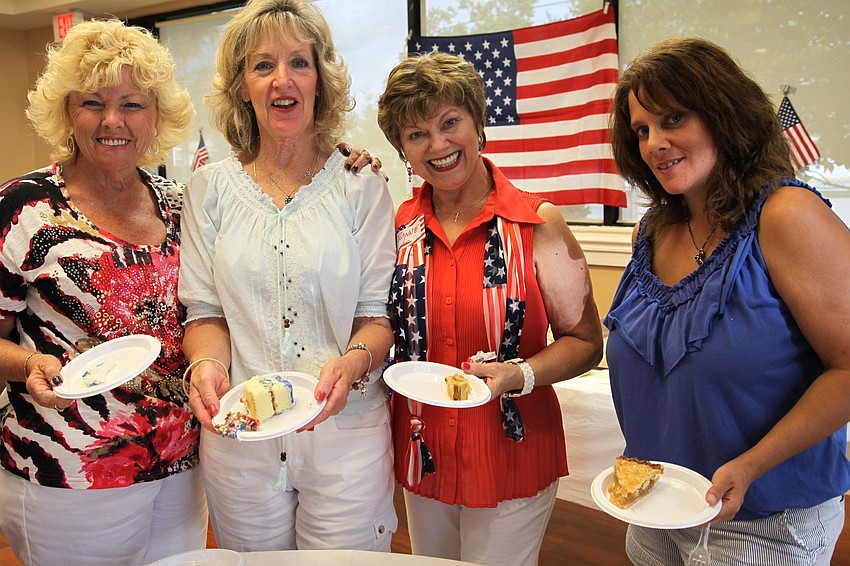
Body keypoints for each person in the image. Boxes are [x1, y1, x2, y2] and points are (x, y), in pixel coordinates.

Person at [604, 37, 850, 565]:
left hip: (766, 521)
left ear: (723, 115)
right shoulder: (649, 231)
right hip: (659, 509)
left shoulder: (786, 215)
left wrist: (753, 464)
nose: (654, 143)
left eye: (673, 120)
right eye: (642, 130)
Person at [178, 0, 397, 553]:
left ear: (320, 80)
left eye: (300, 62)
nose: (283, 80)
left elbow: (377, 317)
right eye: (262, 65)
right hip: (241, 438)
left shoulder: (360, 185)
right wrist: (205, 363)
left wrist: (354, 361)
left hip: (346, 437)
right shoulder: (208, 192)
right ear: (241, 87)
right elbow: (204, 314)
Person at [376, 52, 604, 566]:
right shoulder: (397, 228)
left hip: (511, 453)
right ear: (403, 151)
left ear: (478, 125)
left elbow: (587, 343)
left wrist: (517, 373)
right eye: (416, 135)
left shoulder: (537, 224)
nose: (437, 145)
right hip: (423, 450)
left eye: (449, 122)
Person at [0, 19, 207, 565]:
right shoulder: (23, 208)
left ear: (157, 114)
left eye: (132, 104)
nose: (112, 121)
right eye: (92, 102)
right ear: (66, 110)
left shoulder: (177, 203)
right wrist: (28, 364)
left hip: (181, 464)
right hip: (69, 468)